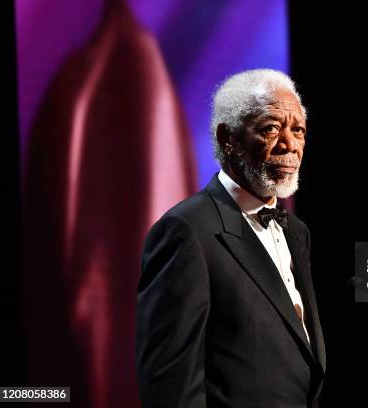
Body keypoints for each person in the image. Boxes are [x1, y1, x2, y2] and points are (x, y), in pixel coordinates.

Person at [136, 69, 326, 408]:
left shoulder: (297, 232)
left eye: (298, 130)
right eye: (271, 128)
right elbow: (169, 384)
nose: (290, 144)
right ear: (229, 138)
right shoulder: (187, 231)